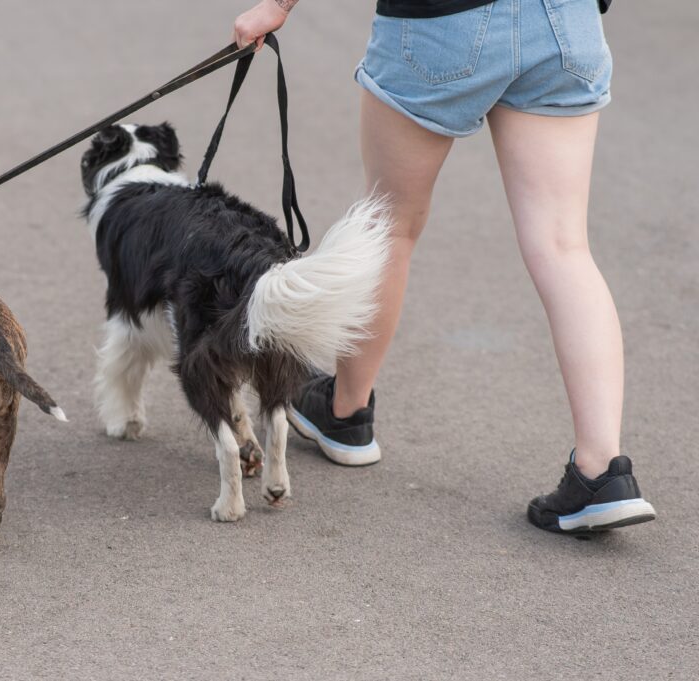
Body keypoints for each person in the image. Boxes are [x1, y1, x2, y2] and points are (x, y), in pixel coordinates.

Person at [231, 0, 655, 534]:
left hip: (443, 22)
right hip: (564, 20)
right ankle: (602, 472)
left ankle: (346, 412)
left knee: (390, 224)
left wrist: (276, 4)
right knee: (563, 245)